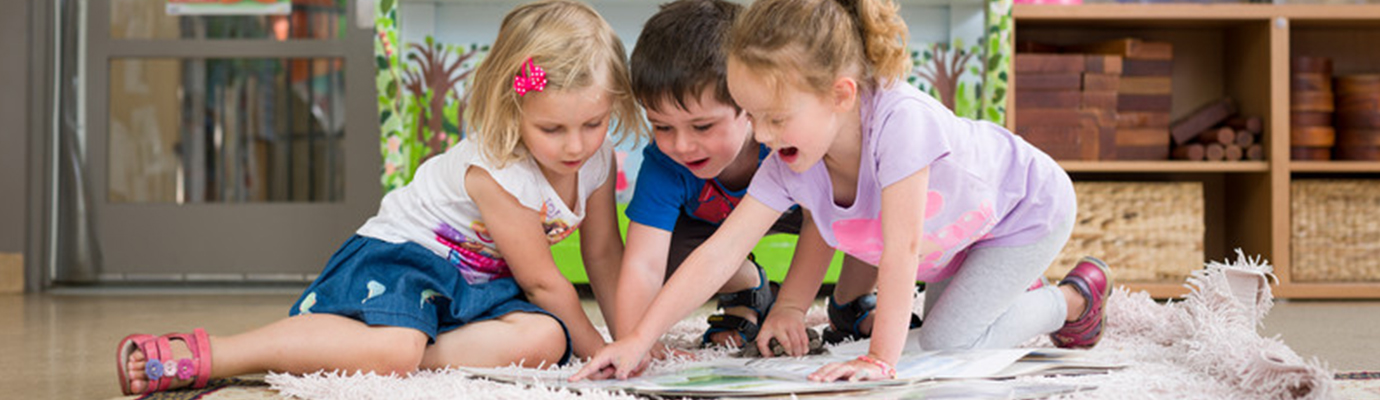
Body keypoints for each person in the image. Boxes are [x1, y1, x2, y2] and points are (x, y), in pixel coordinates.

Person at [115, 0, 646, 394]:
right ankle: (213, 354)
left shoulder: (596, 160)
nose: (576, 145)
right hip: (406, 262)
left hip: (476, 288)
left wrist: (629, 338)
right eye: (553, 129)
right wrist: (599, 349)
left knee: (547, 341)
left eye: (593, 123)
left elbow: (603, 253)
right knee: (398, 347)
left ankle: (398, 355)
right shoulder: (498, 169)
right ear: (514, 110)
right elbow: (541, 281)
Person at [573, 0, 1111, 383]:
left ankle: (1073, 299)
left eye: (774, 117)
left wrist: (879, 359)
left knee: (948, 343)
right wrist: (637, 339)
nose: (761, 135)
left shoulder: (901, 123)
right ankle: (1013, 287)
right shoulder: (792, 153)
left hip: (1023, 211)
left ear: (840, 95)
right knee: (947, 329)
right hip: (957, 243)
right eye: (754, 117)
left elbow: (898, 251)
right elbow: (721, 252)